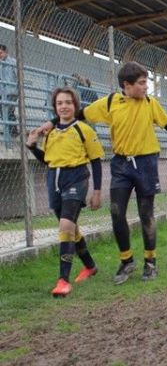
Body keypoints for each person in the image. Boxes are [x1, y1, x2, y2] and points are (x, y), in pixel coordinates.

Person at [36, 61, 167, 284]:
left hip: (146, 163)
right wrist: (50, 124)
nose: (145, 87)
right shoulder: (111, 102)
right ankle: (126, 260)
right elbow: (78, 114)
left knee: (145, 213)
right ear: (126, 85)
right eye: (141, 83)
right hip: (121, 165)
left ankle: (150, 262)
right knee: (116, 212)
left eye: (146, 82)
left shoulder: (150, 104)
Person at [26, 87, 104, 297]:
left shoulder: (84, 130)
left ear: (75, 106)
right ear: (55, 107)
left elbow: (96, 162)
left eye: (68, 102)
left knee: (66, 225)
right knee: (70, 228)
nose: (64, 106)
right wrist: (32, 147)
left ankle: (63, 280)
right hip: (54, 181)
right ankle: (89, 266)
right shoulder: (49, 132)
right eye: (60, 103)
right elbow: (48, 160)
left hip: (77, 178)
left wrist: (97, 191)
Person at [0, 43, 18, 137]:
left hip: (11, 92)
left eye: (1, 53)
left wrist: (21, 91)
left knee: (9, 111)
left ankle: (13, 133)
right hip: (2, 93)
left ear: (6, 52)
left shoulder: (13, 62)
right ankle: (10, 132)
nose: (0, 55)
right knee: (3, 112)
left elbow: (19, 76)